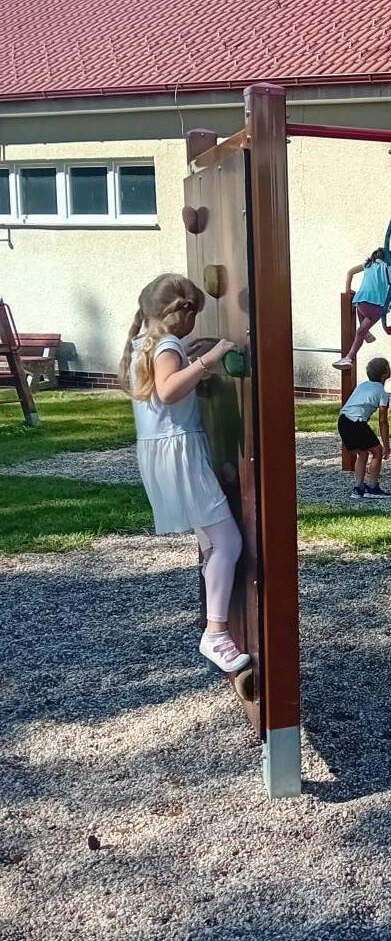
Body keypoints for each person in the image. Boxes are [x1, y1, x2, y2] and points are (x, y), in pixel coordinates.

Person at [118, 273, 249, 675]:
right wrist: (209, 359)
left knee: (212, 542)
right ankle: (216, 634)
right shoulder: (167, 346)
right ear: (183, 314)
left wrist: (190, 360)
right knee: (228, 542)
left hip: (162, 453)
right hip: (179, 454)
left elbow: (164, 386)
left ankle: (214, 618)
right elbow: (169, 390)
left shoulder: (146, 342)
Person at [333, 248, 391, 369]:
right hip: (377, 306)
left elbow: (350, 272)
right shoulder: (389, 268)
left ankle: (366, 334)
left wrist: (347, 290)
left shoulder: (368, 264)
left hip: (361, 301)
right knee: (360, 332)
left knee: (359, 316)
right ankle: (349, 357)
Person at [339, 355, 391, 498]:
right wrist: (386, 446)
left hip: (342, 420)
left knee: (362, 453)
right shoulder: (382, 393)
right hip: (356, 422)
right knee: (377, 451)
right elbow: (383, 420)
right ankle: (372, 488)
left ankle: (358, 488)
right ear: (386, 375)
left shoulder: (362, 385)